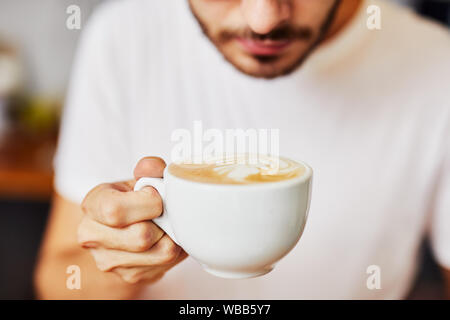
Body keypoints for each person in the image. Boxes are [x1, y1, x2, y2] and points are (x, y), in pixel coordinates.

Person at [34, 0, 450, 299]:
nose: (263, 19)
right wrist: (123, 260)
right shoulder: (122, 39)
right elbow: (59, 280)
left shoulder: (436, 67)